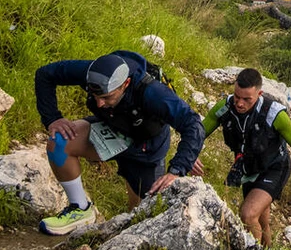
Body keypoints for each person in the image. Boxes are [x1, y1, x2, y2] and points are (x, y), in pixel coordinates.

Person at [34, 50, 204, 235]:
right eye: (94, 95)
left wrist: (178, 168)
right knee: (59, 142)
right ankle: (80, 209)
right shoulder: (92, 72)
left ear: (126, 84)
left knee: (141, 217)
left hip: (145, 149)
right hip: (110, 129)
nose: (99, 103)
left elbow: (192, 124)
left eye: (106, 97)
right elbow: (45, 74)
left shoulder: (152, 92)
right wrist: (52, 118)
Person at [191, 68, 291, 247]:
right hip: (249, 168)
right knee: (261, 222)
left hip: (275, 168)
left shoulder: (274, 114)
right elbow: (198, 134)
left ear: (259, 94)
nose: (240, 103)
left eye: (246, 99)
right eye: (237, 96)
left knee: (248, 214)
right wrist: (189, 156)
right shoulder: (225, 108)